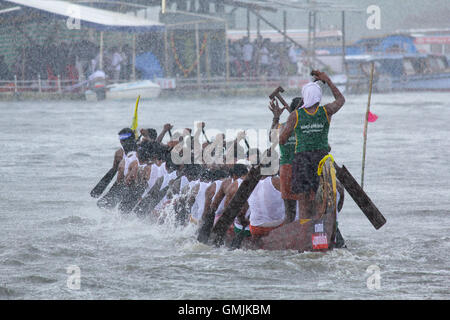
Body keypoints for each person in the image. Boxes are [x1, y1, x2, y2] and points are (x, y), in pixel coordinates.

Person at [279, 70, 345, 221]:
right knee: (322, 196)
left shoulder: (295, 116)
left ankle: (305, 228)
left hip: (302, 160)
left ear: (304, 96)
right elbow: (341, 100)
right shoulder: (326, 111)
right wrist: (327, 80)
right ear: (319, 97)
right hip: (321, 159)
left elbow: (282, 140)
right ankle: (323, 226)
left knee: (303, 200)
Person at [270, 97, 303, 223]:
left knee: (290, 212)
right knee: (306, 208)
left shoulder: (282, 126)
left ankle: (290, 233)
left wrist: (276, 117)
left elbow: (271, 138)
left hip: (286, 169)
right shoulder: (304, 126)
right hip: (302, 168)